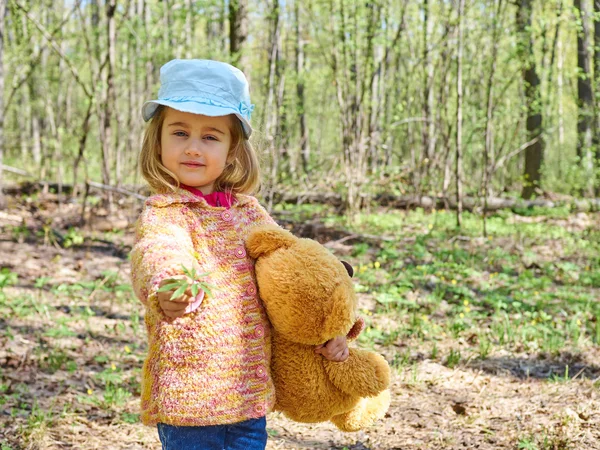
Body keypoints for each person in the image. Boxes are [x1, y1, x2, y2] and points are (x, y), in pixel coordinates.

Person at [130, 59, 349, 450]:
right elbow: (157, 250)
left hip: (249, 395)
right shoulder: (166, 212)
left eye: (211, 137)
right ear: (158, 141)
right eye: (180, 132)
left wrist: (333, 324)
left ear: (232, 150)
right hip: (190, 400)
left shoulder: (249, 213)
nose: (193, 148)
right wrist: (168, 285)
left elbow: (294, 272)